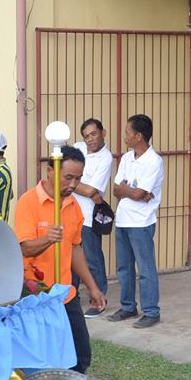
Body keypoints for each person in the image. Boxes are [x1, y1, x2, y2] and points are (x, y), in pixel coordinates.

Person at [14, 146, 106, 380]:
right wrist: (47, 238)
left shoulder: (73, 205)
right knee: (40, 361)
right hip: (36, 296)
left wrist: (93, 287)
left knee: (80, 355)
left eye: (79, 178)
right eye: (69, 177)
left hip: (65, 294)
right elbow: (24, 248)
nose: (74, 184)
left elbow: (75, 249)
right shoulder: (28, 202)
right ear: (50, 171)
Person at [109, 114, 163, 329]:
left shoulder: (154, 161)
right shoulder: (126, 158)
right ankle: (128, 306)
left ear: (138, 136)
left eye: (127, 133)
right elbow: (116, 190)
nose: (125, 137)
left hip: (141, 222)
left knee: (145, 269)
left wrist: (131, 191)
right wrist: (132, 192)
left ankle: (151, 311)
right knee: (124, 268)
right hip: (122, 220)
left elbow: (140, 194)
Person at [72, 118, 113, 317]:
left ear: (103, 133)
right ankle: (71, 299)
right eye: (86, 136)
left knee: (92, 259)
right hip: (69, 214)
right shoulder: (77, 148)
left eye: (93, 134)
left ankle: (99, 300)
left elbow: (90, 190)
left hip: (88, 218)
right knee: (69, 258)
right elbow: (59, 175)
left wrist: (70, 183)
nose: (89, 139)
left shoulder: (106, 158)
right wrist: (84, 188)